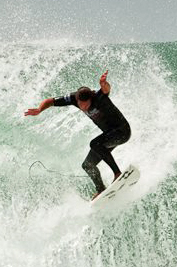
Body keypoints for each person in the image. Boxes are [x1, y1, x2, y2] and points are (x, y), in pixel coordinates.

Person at [24, 71, 131, 199]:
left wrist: (103, 83)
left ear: (91, 98)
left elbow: (106, 89)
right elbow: (50, 101)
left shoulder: (99, 97)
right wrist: (40, 109)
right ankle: (101, 189)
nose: (83, 107)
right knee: (87, 165)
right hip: (109, 136)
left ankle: (117, 173)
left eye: (86, 105)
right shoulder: (74, 98)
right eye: (81, 105)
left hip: (122, 131)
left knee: (95, 144)